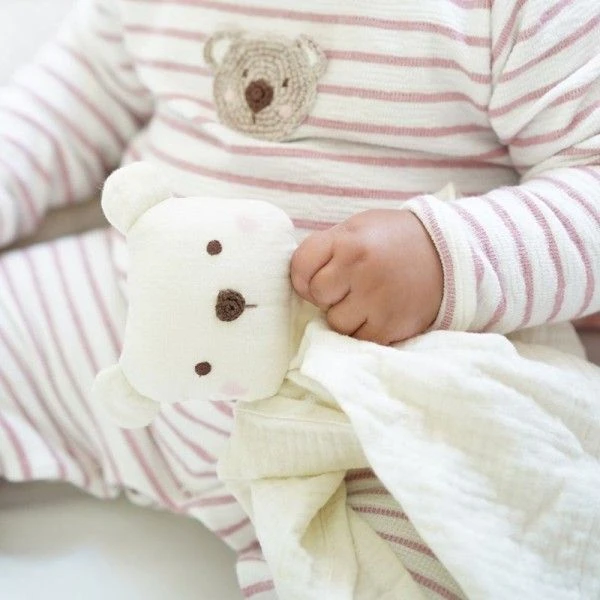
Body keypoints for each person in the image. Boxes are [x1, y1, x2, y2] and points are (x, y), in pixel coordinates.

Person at [1, 0, 598, 597]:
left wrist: (444, 259)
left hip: (380, 411)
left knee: (455, 549)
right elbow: (72, 98)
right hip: (129, 320)